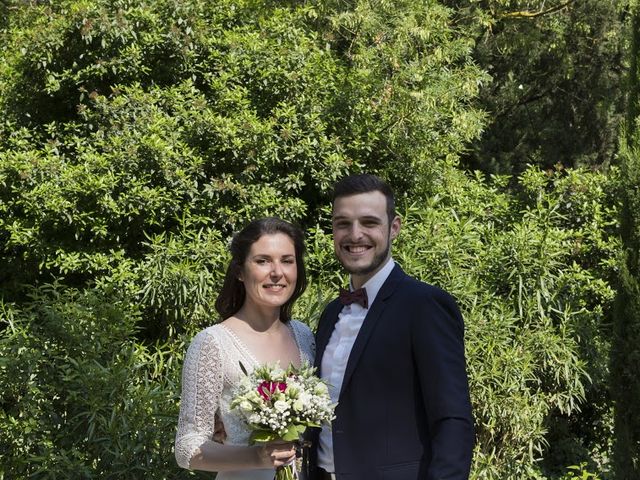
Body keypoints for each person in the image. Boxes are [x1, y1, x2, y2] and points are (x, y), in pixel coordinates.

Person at [308, 174, 474, 479]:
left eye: (369, 223)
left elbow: (452, 421)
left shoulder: (424, 305)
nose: (355, 235)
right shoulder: (331, 313)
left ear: (393, 227)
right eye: (343, 223)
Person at [175, 217, 316, 479]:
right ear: (240, 271)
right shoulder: (213, 343)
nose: (277, 272)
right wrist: (256, 456)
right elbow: (186, 447)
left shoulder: (305, 336)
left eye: (287, 260)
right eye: (262, 261)